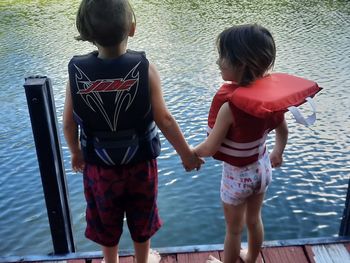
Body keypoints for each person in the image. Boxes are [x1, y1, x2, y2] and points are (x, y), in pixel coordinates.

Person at [63, 0, 203, 262]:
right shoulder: (145, 69)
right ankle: (143, 258)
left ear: (86, 32)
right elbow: (165, 119)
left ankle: (110, 260)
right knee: (142, 214)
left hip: (99, 166)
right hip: (140, 163)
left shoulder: (78, 74)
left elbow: (69, 123)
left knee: (105, 218)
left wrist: (75, 152)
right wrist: (187, 154)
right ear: (132, 28)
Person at [194, 24, 289, 263]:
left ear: (242, 63)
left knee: (234, 229)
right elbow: (282, 130)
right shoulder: (270, 100)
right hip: (262, 170)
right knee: (254, 220)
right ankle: (251, 258)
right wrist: (278, 152)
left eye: (223, 56)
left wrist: (188, 153)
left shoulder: (231, 106)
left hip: (237, 177)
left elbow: (209, 148)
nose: (218, 62)